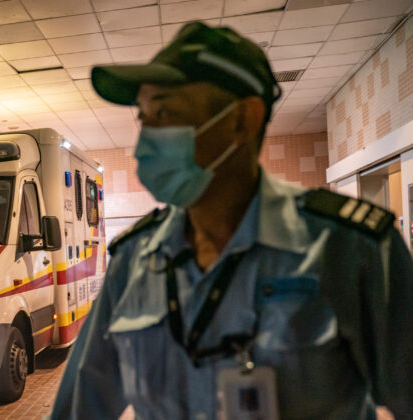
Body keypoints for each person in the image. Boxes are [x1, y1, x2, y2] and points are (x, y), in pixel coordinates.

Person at [49, 22, 413, 420]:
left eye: (166, 112)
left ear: (242, 120)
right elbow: (79, 407)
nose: (144, 142)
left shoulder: (349, 248)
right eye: (145, 117)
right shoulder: (134, 261)